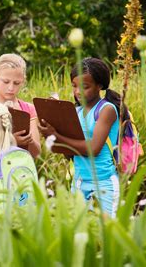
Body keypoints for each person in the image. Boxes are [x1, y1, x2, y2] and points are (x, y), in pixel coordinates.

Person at [38, 57, 121, 218]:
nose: (77, 92)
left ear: (100, 85)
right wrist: (51, 132)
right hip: (80, 182)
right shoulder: (74, 112)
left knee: (108, 233)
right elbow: (69, 153)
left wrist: (57, 137)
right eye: (74, 86)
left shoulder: (106, 110)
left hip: (104, 183)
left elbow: (94, 149)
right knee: (80, 231)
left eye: (85, 87)